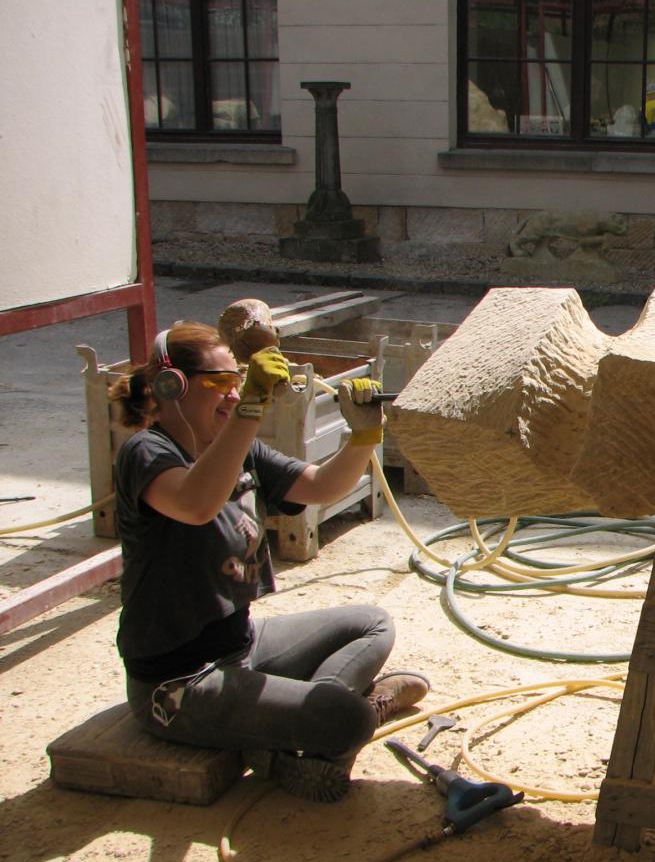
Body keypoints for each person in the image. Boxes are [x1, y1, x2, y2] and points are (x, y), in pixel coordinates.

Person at [107, 319, 428, 803]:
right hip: (179, 681)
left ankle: (302, 718)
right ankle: (317, 727)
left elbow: (321, 486)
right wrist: (251, 409)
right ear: (172, 385)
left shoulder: (239, 447)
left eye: (239, 382)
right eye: (221, 382)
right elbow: (196, 504)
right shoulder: (146, 452)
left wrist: (363, 435)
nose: (235, 394)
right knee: (347, 720)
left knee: (372, 623)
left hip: (241, 644)